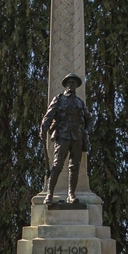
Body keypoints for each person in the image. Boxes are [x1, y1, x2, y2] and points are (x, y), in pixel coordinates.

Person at [40, 73, 90, 204]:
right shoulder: (59, 99)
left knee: (74, 167)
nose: (70, 85)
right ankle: (49, 194)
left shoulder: (80, 102)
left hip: (77, 137)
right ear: (65, 85)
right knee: (57, 165)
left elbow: (89, 119)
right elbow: (49, 116)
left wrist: (85, 131)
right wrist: (43, 129)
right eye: (68, 83)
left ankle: (71, 195)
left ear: (76, 86)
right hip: (62, 135)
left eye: (73, 83)